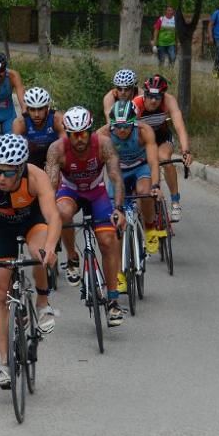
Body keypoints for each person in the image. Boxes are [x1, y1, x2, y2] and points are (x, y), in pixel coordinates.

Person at [0, 135, 61, 387]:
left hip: (32, 221)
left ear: (20, 169)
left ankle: (42, 301)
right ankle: (4, 363)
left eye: (7, 172)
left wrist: (50, 247)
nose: (1, 177)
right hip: (3, 228)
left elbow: (53, 216)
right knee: (0, 294)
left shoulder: (36, 177)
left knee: (39, 254)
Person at [45, 106, 127, 327]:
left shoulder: (103, 144)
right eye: (74, 134)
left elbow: (116, 177)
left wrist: (119, 208)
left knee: (108, 240)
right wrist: (46, 217)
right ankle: (72, 256)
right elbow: (50, 187)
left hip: (96, 191)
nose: (79, 139)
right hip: (70, 190)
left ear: (90, 130)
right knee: (61, 213)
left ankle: (112, 301)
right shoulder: (56, 149)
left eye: (83, 133)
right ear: (67, 132)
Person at [96, 100, 161, 292]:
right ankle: (119, 275)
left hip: (141, 168)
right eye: (118, 126)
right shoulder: (103, 134)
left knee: (144, 192)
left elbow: (153, 162)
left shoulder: (144, 131)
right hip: (118, 174)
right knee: (115, 223)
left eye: (126, 126)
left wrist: (156, 186)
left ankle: (149, 228)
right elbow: (96, 165)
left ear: (133, 123)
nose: (122, 131)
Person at [132, 74, 193, 221]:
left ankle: (175, 201)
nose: (153, 101)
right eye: (150, 96)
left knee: (164, 158)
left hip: (162, 136)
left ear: (163, 96)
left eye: (157, 97)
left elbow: (179, 127)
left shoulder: (169, 101)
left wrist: (186, 151)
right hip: (143, 139)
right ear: (144, 94)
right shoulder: (136, 104)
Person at [12, 86, 65, 169]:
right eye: (32, 110)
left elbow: (66, 144)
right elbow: (16, 151)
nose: (36, 114)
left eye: (40, 109)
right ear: (27, 109)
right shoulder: (20, 123)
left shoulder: (57, 119)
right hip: (31, 155)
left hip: (54, 154)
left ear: (47, 108)